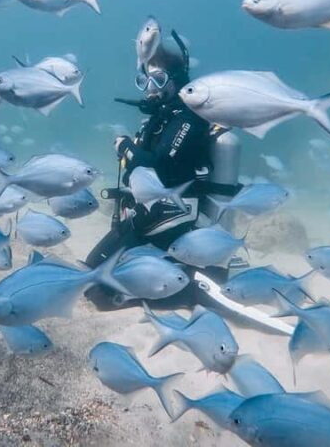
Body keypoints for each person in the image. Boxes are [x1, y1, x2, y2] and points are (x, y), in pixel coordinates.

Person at [85, 29, 243, 311]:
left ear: (178, 80)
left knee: (103, 294)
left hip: (175, 229)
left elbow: (158, 165)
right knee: (90, 275)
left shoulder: (189, 118)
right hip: (143, 222)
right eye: (143, 80)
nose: (150, 88)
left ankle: (194, 292)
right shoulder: (157, 122)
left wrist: (124, 147)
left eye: (158, 79)